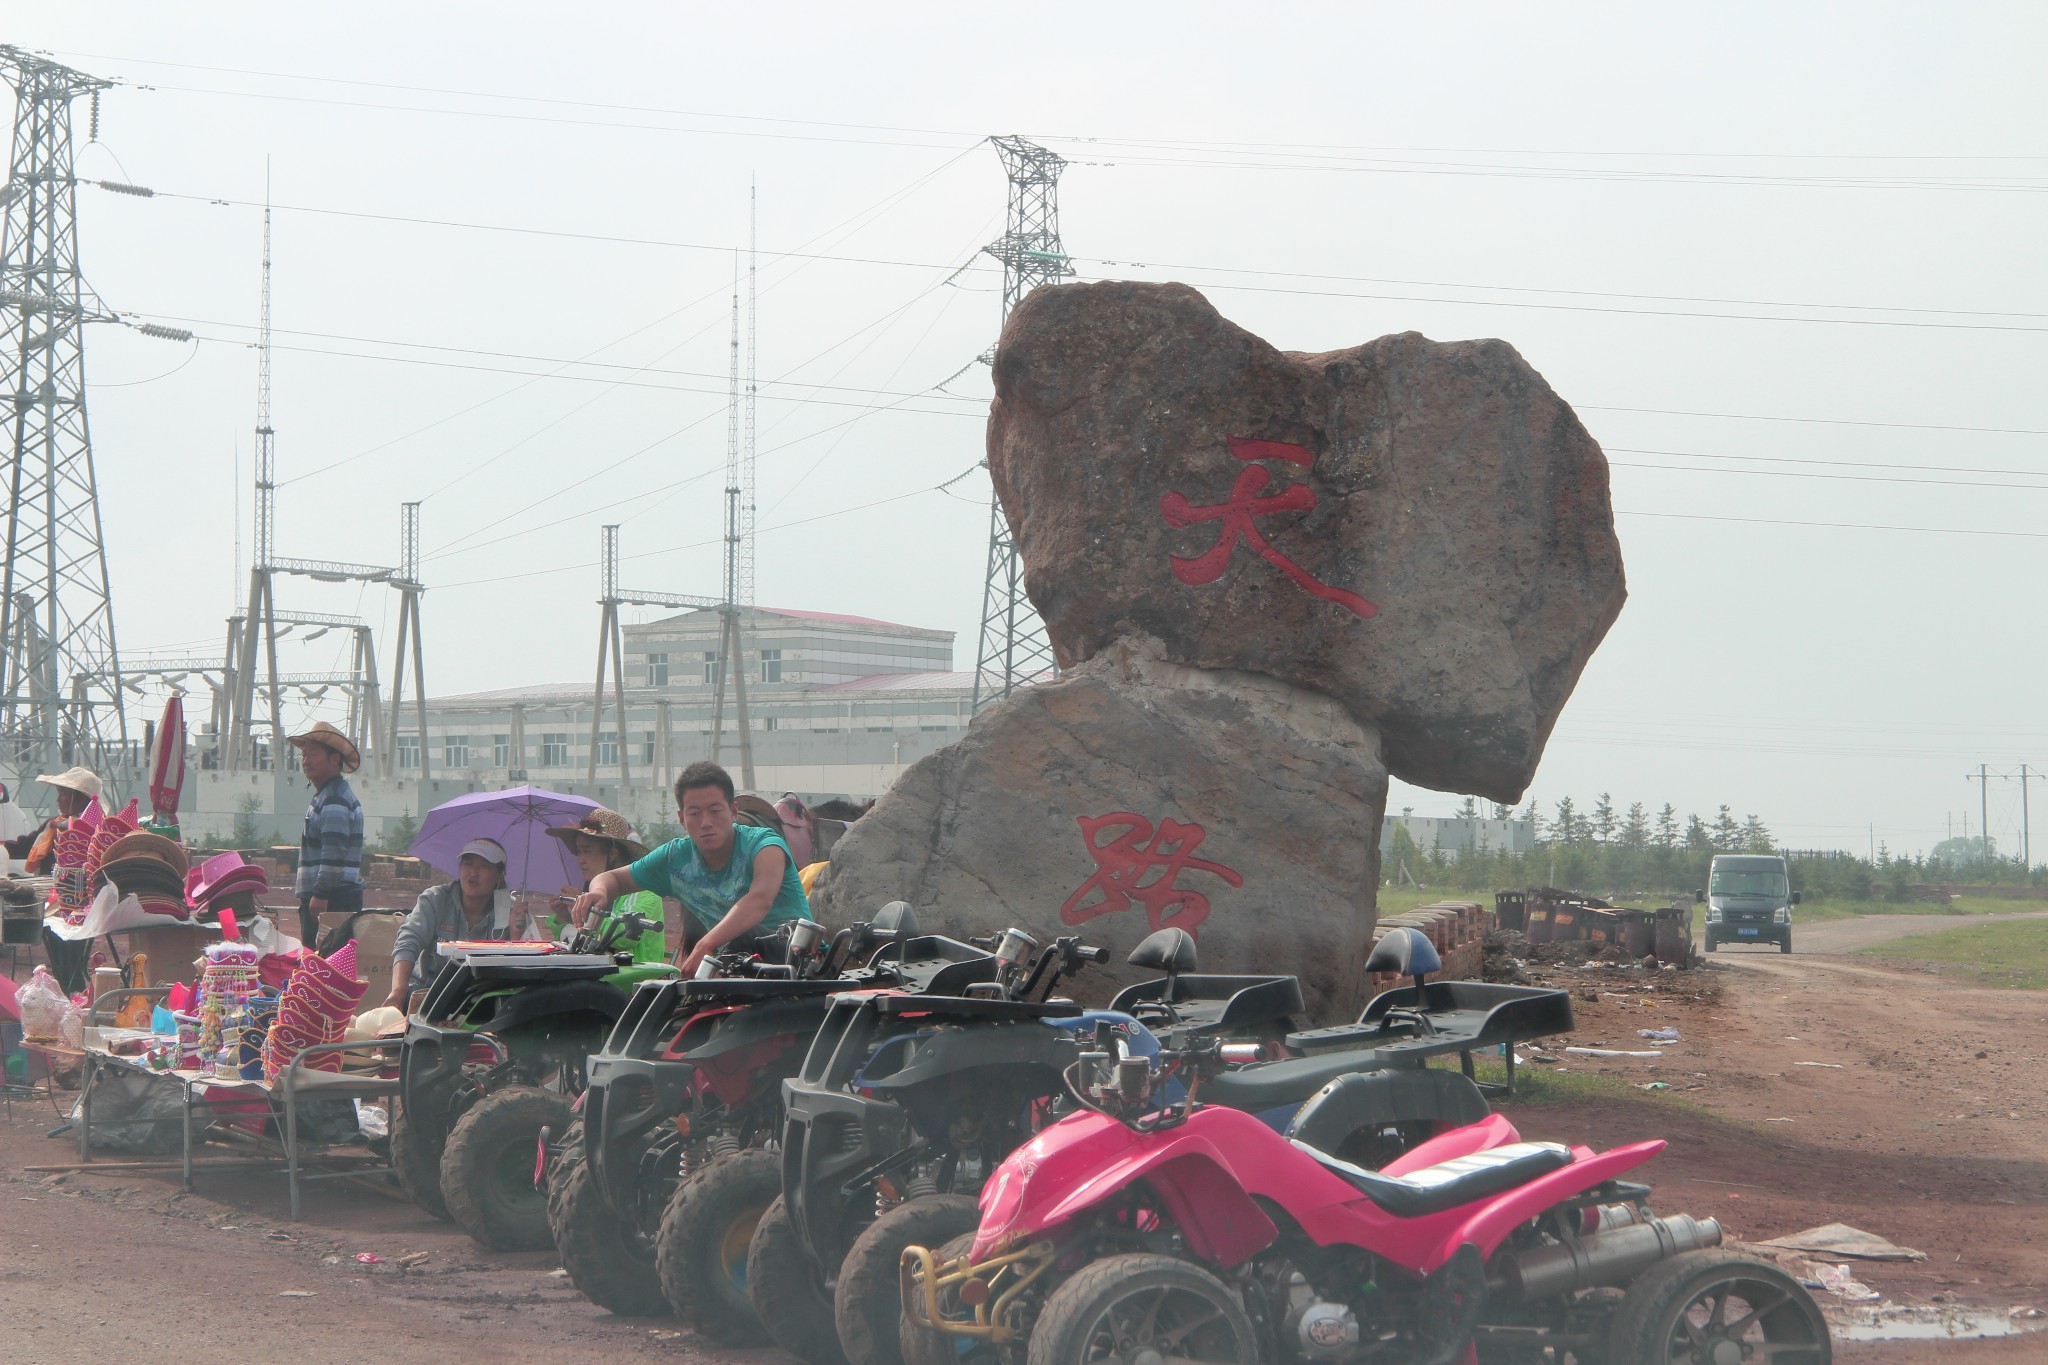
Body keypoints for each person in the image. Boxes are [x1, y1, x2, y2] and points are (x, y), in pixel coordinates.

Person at [572, 761, 812, 976]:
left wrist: (706, 944)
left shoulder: (764, 845)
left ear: (733, 811)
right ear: (681, 818)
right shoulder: (674, 857)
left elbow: (760, 900)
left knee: (743, 934)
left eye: (715, 811)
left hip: (794, 963)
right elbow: (612, 878)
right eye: (694, 813)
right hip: (732, 967)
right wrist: (599, 891)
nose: (706, 822)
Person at [383, 837, 529, 1008]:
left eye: (484, 866)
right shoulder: (435, 899)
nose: (474, 873)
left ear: (499, 876)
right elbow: (408, 942)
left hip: (480, 1000)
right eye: (468, 864)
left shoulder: (511, 910)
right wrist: (398, 992)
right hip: (427, 992)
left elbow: (518, 970)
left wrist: (517, 934)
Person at [7, 767, 102, 994]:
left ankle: (73, 990)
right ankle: (68, 987)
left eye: (63, 794)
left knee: (71, 954)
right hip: (52, 901)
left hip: (80, 903)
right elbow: (24, 846)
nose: (59, 799)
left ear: (80, 799)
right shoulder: (54, 824)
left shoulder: (96, 828)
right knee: (58, 951)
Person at [545, 807, 666, 962]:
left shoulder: (643, 890)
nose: (580, 860)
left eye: (586, 851)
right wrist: (565, 918)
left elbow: (623, 937)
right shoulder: (590, 891)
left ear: (613, 853)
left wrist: (587, 909)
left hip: (633, 982)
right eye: (579, 852)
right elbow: (576, 944)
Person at [288, 722, 365, 951]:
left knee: (322, 966)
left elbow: (333, 852)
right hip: (331, 897)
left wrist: (320, 895)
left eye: (313, 754)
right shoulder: (327, 795)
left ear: (334, 759)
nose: (306, 761)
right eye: (304, 755)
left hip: (333, 899)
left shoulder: (334, 799)